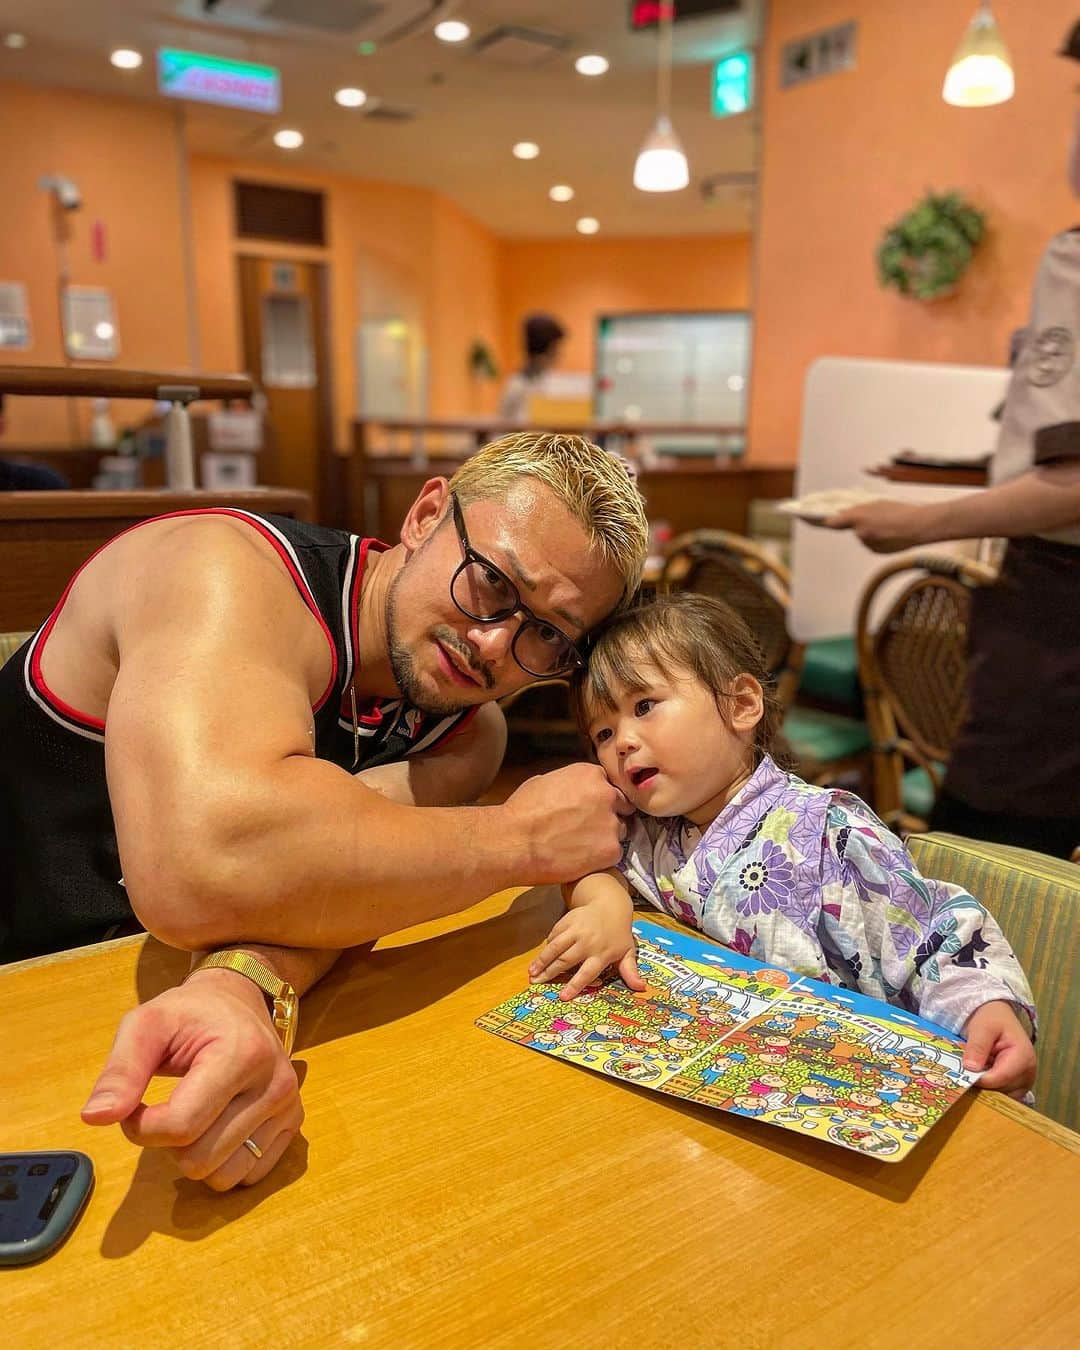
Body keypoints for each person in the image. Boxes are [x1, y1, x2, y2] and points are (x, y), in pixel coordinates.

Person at [0, 431, 648, 1189]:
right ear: (426, 514)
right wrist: (523, 839)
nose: (492, 644)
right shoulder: (223, 568)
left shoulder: (469, 728)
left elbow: (330, 876)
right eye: (492, 584)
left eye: (545, 634)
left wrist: (242, 984)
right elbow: (202, 868)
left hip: (142, 1023)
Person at [528, 593, 1036, 1099]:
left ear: (742, 705)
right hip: (716, 1079)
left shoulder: (826, 830)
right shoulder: (648, 829)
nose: (623, 741)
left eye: (644, 706)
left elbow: (932, 934)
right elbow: (589, 861)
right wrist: (604, 903)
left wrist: (985, 1008)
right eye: (602, 731)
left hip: (841, 1084)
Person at [821, 51, 1080, 859]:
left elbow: (1070, 480)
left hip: (1055, 615)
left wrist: (914, 523)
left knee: (987, 867)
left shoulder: (1074, 258)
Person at [497, 313, 566, 421]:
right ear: (548, 349)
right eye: (556, 347)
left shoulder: (543, 379)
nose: (560, 352)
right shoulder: (519, 385)